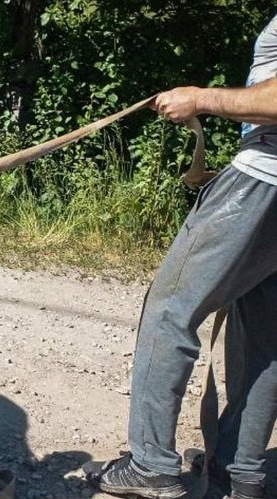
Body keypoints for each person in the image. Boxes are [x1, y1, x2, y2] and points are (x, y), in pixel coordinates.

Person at [87, 14, 277, 499]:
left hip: (261, 181)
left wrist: (201, 98)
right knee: (264, 336)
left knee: (170, 311)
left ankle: (151, 464)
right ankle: (239, 473)